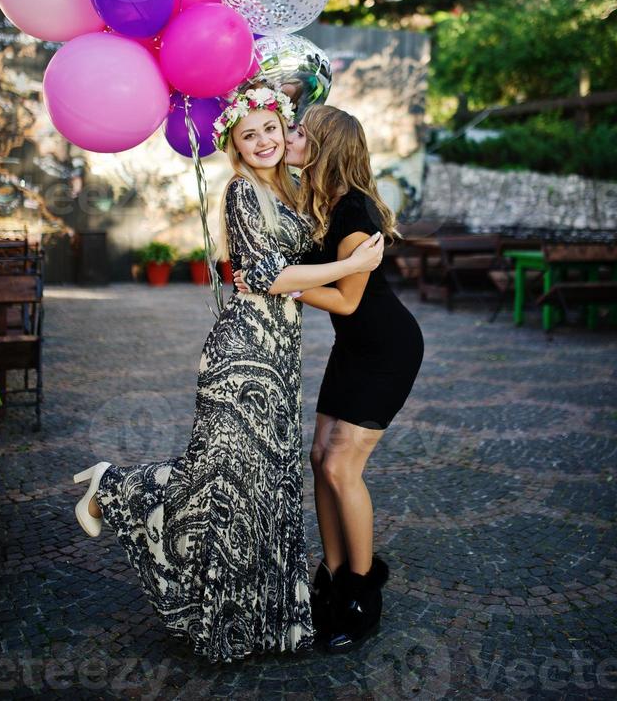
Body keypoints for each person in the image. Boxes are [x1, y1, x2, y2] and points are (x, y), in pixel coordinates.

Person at [71, 87, 384, 664]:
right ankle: (112, 487)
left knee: (263, 486)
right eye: (250, 135)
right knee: (220, 474)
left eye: (272, 129)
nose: (264, 142)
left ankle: (258, 624)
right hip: (243, 354)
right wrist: (351, 265)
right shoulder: (243, 190)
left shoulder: (285, 189)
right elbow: (263, 272)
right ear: (235, 147)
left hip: (280, 352)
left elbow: (285, 269)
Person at [236, 104, 424, 653]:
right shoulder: (323, 202)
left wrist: (277, 286)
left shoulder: (355, 215)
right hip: (354, 349)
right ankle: (334, 573)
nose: (287, 136)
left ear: (322, 145)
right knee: (319, 457)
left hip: (387, 351)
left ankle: (364, 594)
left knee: (342, 466)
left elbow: (345, 298)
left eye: (297, 131)